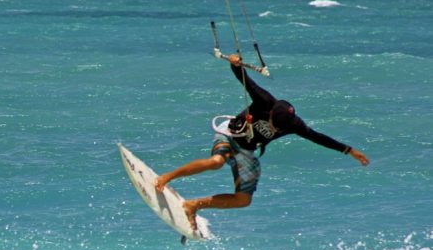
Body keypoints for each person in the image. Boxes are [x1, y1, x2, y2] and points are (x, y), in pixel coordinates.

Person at [155, 53, 369, 230]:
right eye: (274, 124)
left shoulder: (295, 124)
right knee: (217, 162)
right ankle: (166, 177)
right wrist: (234, 63)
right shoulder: (265, 100)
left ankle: (193, 205)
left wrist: (349, 150)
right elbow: (245, 79)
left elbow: (317, 137)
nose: (275, 129)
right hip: (230, 135)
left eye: (279, 128)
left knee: (243, 200)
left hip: (247, 151)